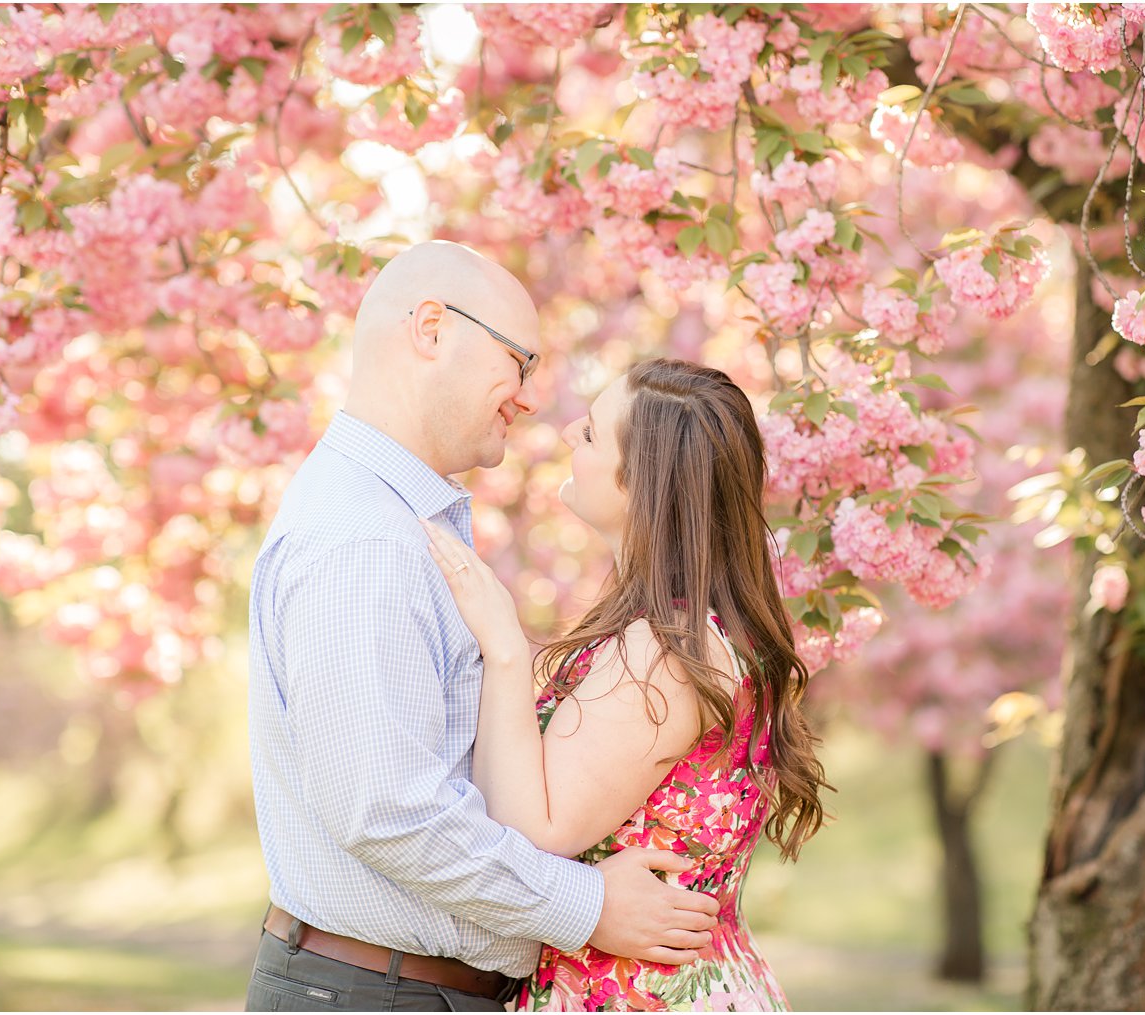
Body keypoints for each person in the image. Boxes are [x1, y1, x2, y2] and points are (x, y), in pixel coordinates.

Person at [245, 242, 720, 1013]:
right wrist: (588, 906)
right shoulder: (365, 537)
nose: (530, 398)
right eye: (519, 362)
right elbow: (387, 809)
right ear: (431, 329)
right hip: (376, 993)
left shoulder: (397, 522)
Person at [420, 357, 830, 1011]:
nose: (567, 440)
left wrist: (502, 646)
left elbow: (536, 827)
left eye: (588, 434)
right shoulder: (690, 632)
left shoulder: (666, 652)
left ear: (641, 482)